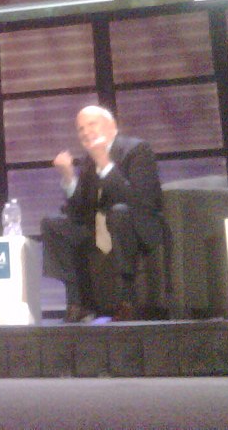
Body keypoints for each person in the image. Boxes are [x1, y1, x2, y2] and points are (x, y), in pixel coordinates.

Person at [39, 105, 164, 322]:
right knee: (53, 224)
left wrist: (104, 163)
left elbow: (138, 201)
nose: (85, 132)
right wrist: (69, 177)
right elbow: (79, 212)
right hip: (101, 227)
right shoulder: (89, 160)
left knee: (119, 212)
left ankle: (128, 302)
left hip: (137, 224)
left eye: (91, 124)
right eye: (80, 129)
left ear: (111, 125)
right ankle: (78, 303)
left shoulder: (137, 150)